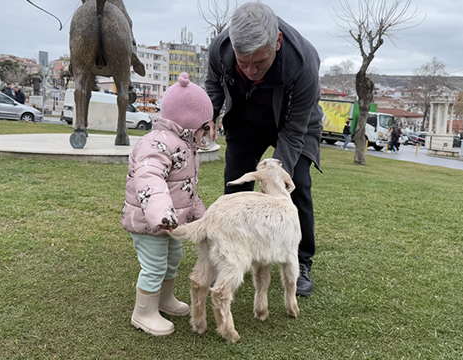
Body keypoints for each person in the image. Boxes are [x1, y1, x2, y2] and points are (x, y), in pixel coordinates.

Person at [205, 1, 323, 297]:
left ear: (277, 43)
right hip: (246, 118)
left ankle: (302, 259)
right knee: (234, 182)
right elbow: (213, 84)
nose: (251, 70)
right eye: (243, 62)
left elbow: (294, 132)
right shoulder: (220, 49)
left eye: (260, 62)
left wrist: (273, 177)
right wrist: (209, 112)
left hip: (294, 122)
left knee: (296, 187)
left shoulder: (304, 63)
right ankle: (229, 252)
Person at [120, 72, 213, 336]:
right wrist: (161, 213)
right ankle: (143, 312)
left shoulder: (185, 145)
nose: (207, 131)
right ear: (191, 121)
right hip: (150, 223)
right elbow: (149, 178)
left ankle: (164, 299)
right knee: (155, 264)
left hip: (171, 223)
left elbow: (186, 189)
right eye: (205, 125)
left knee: (174, 258)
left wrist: (202, 216)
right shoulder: (157, 143)